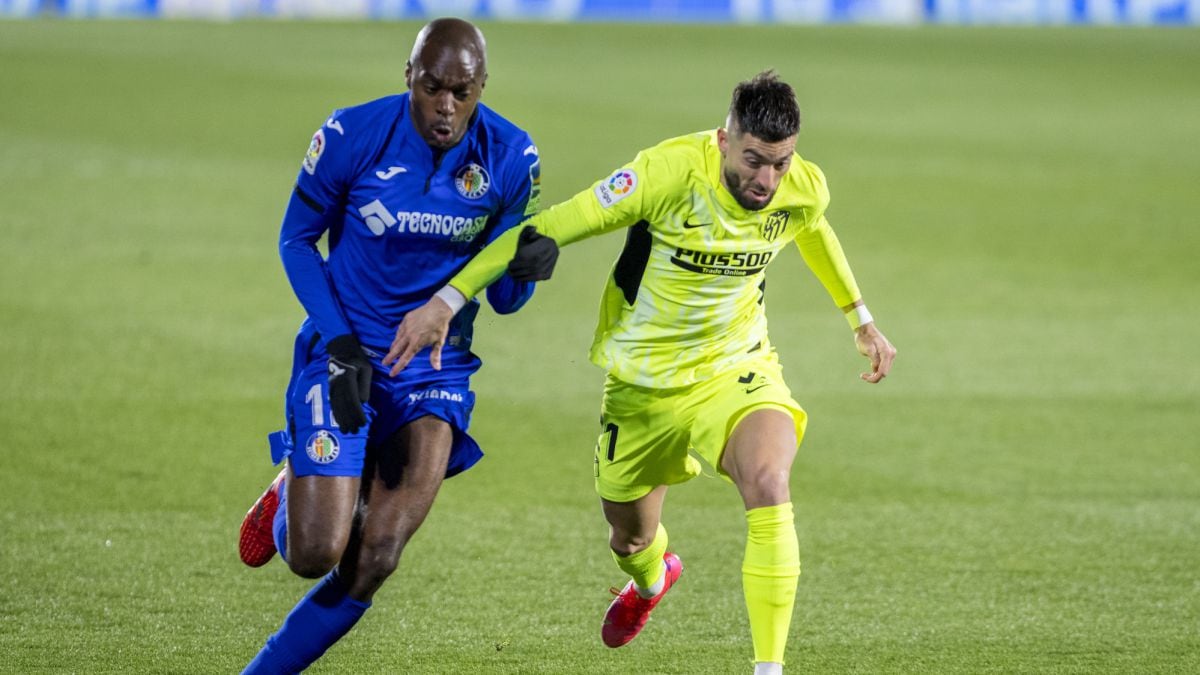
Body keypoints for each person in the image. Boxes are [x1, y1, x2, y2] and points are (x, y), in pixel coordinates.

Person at [385, 70, 897, 674]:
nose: (767, 181)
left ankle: (769, 668)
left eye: (780, 164)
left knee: (768, 482)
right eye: (754, 161)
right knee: (629, 538)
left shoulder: (801, 186)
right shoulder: (665, 174)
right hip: (641, 384)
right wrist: (448, 300)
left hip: (735, 366)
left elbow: (810, 226)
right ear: (724, 141)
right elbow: (553, 225)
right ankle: (653, 580)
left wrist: (860, 318)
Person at [235, 18, 558, 674]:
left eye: (462, 92)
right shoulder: (351, 135)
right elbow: (296, 239)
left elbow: (503, 298)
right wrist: (339, 342)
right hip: (344, 352)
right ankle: (294, 480)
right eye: (432, 87)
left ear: (483, 86)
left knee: (376, 554)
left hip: (434, 371)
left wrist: (525, 272)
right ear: (408, 77)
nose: (446, 106)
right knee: (314, 553)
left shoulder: (512, 158)